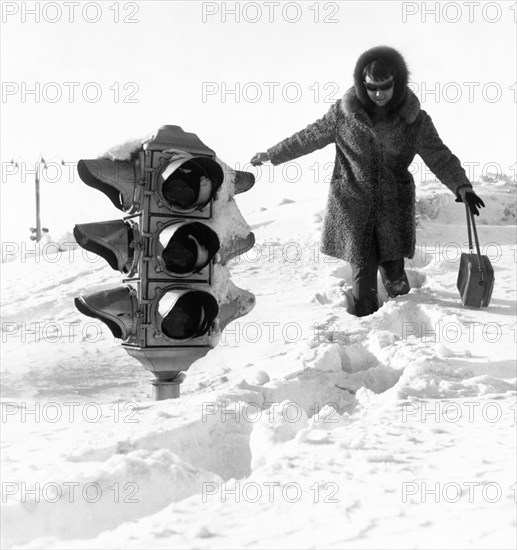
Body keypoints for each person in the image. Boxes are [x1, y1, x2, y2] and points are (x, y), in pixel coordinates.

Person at [250, 45, 485, 317]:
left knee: (394, 274)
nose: (379, 93)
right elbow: (308, 137)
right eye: (372, 87)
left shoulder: (414, 119)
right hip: (353, 208)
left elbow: (439, 156)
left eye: (385, 86)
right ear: (362, 84)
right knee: (363, 275)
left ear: (396, 82)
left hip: (393, 210)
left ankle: (404, 327)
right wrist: (272, 154)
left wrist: (462, 187)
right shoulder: (343, 114)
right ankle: (363, 321)